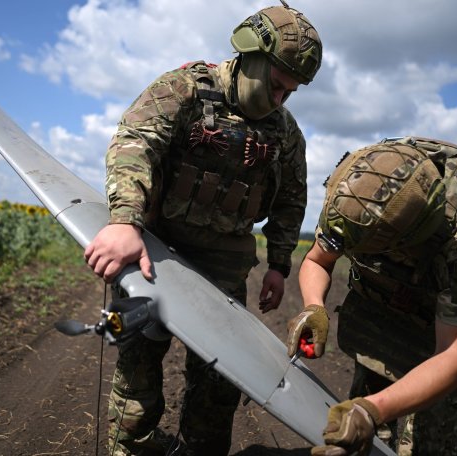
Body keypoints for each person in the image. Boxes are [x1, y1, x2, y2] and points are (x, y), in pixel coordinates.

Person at [84, 2, 322, 455]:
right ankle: (130, 447)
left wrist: (277, 266)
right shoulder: (183, 89)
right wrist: (125, 222)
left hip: (226, 266)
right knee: (137, 363)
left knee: (218, 385)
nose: (278, 100)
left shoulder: (285, 132)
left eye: (289, 93)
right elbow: (135, 142)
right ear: (250, 56)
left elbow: (292, 200)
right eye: (274, 86)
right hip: (157, 251)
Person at [286, 136, 457, 455]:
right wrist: (314, 307)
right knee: (367, 429)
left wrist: (370, 410)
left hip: (445, 323)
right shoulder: (354, 193)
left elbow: (454, 357)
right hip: (380, 303)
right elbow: (317, 260)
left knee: (424, 441)